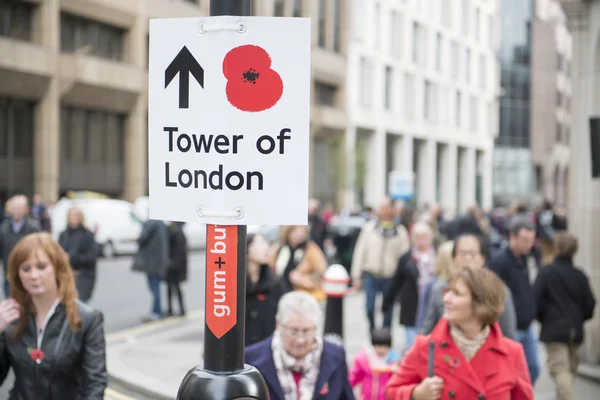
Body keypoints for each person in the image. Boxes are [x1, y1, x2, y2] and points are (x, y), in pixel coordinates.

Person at [386, 267, 533, 400]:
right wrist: (415, 393)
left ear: (480, 304)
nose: (446, 298)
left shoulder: (512, 353)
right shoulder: (425, 347)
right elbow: (391, 392)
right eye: (448, 291)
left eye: (456, 294)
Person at [0, 232, 107, 398]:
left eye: (41, 266)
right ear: (17, 274)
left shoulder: (87, 319)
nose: (34, 276)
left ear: (57, 268)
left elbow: (94, 385)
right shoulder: (11, 318)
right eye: (26, 268)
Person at [245, 291, 355, 399]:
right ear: (278, 325)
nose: (300, 340)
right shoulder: (250, 359)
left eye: (307, 331)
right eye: (293, 331)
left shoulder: (336, 355)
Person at [534, 232, 596, 400]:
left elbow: (536, 301)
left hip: (554, 330)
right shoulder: (579, 275)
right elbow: (589, 304)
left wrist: (543, 319)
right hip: (574, 330)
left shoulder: (546, 273)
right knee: (566, 371)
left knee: (562, 371)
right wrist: (579, 318)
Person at [421, 234, 517, 340]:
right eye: (462, 254)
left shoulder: (499, 290)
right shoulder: (440, 289)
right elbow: (427, 329)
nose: (467, 259)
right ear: (454, 258)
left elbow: (508, 335)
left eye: (472, 254)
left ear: (482, 258)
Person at [489, 217, 540, 385]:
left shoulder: (525, 258)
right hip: (511, 326)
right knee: (512, 370)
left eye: (531, 241)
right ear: (512, 238)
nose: (529, 245)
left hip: (527, 325)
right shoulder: (500, 261)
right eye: (525, 240)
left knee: (533, 368)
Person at [351, 197, 410, 330]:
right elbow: (360, 252)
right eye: (381, 207)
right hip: (371, 275)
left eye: (386, 207)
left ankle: (384, 337)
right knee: (369, 308)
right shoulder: (369, 228)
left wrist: (403, 280)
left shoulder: (400, 231)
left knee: (388, 310)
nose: (383, 210)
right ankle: (373, 333)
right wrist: (356, 276)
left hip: (390, 277)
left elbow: (405, 258)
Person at [382, 222, 436, 351]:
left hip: (430, 306)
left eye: (424, 236)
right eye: (417, 237)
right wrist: (387, 302)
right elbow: (396, 282)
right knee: (411, 344)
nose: (421, 240)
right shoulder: (406, 258)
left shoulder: (437, 256)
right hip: (411, 306)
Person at [272, 225, 328, 303]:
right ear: (287, 232)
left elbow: (322, 274)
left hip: (304, 298)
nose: (299, 234)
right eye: (295, 231)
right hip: (282, 296)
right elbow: (270, 269)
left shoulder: (311, 249)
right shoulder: (279, 248)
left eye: (302, 230)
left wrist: (303, 280)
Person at [246, 233, 284, 346]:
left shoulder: (274, 282)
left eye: (265, 243)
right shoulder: (232, 284)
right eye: (259, 244)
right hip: (240, 352)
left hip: (267, 348)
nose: (266, 248)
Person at [0, 195, 40, 298]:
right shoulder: (4, 228)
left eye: (20, 208)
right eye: (15, 208)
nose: (17, 211)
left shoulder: (33, 228)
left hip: (28, 274)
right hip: (9, 275)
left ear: (26, 209)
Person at [58, 207, 99, 303]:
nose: (73, 218)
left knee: (80, 305)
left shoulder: (87, 235)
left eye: (76, 215)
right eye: (71, 215)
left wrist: (72, 258)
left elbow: (92, 256)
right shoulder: (63, 235)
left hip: (83, 275)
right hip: (66, 275)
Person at [132, 218, 169, 321]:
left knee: (154, 288)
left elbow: (142, 239)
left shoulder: (151, 223)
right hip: (160, 261)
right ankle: (157, 311)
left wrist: (135, 238)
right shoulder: (162, 223)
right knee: (156, 287)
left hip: (151, 261)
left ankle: (156, 312)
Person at [349, 327, 400, 400]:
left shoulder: (393, 361)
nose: (381, 349)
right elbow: (354, 376)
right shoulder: (364, 360)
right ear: (373, 345)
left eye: (384, 346)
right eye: (379, 346)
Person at [165, 222, 188, 317]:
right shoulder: (177, 229)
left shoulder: (176, 230)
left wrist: (172, 263)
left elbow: (179, 250)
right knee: (171, 287)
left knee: (174, 287)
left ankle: (179, 309)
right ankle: (173, 309)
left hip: (174, 264)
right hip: (175, 263)